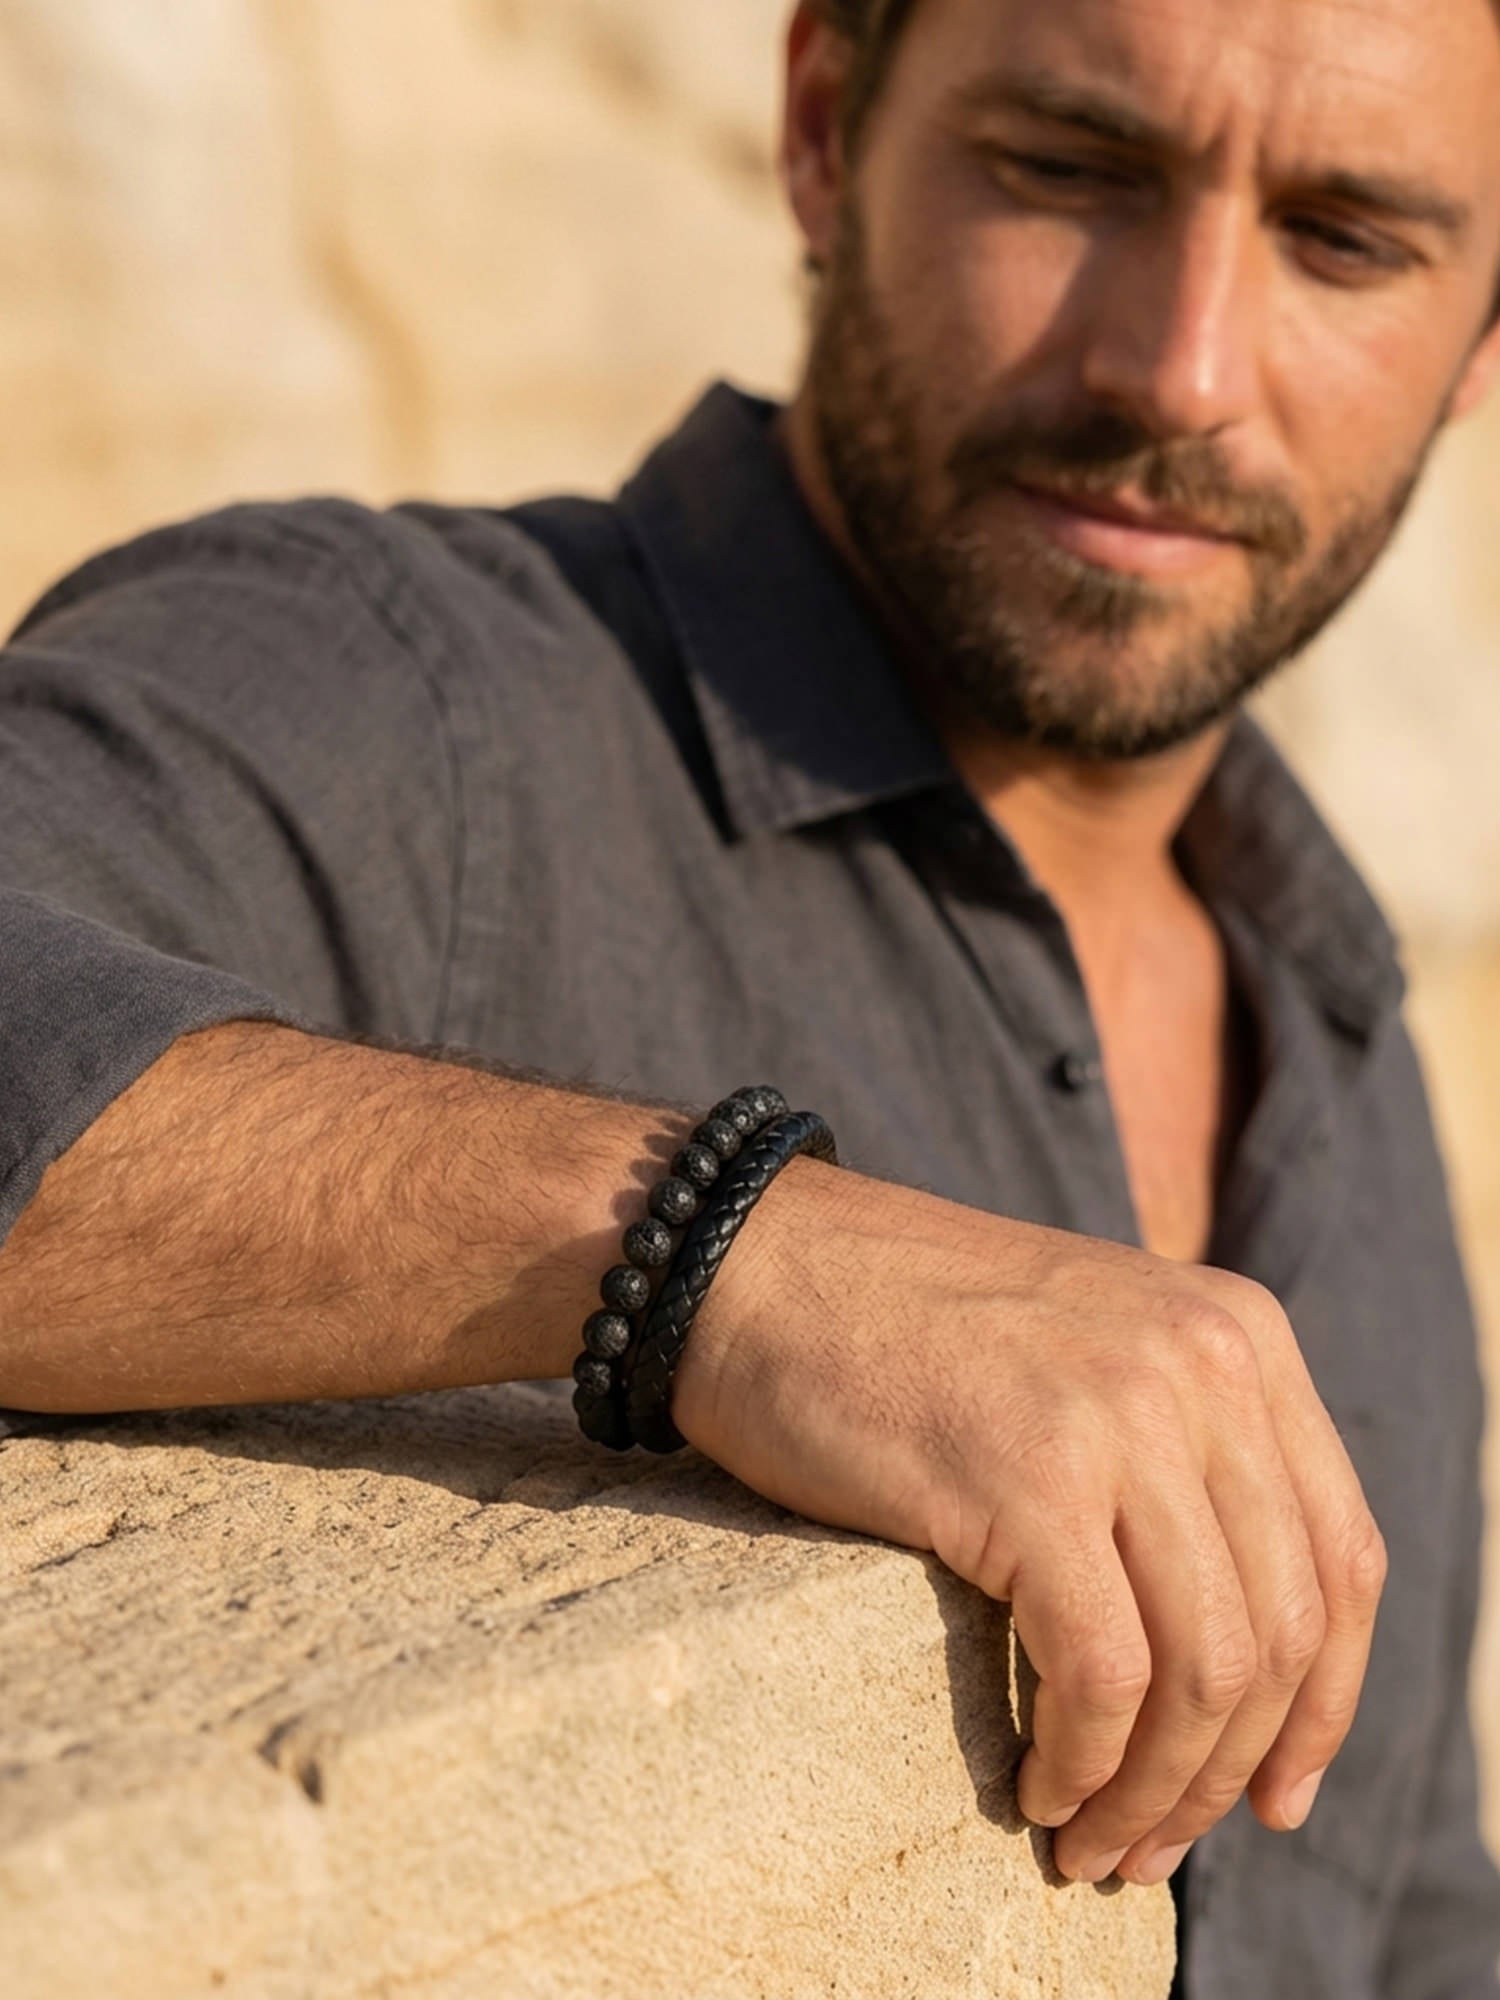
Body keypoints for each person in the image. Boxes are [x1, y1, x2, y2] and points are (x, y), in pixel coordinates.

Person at [1, 0, 1497, 1989]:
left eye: (1347, 240)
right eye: (1068, 169)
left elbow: (1405, 1908)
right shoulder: (413, 704)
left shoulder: (1332, 1017)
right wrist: (714, 1247)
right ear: (822, 126)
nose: (1182, 368)